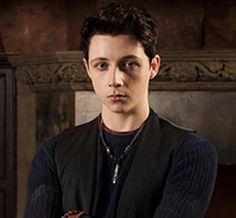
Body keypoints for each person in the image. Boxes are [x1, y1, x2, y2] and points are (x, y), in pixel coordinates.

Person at [24, 2, 217, 218]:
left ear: (153, 66)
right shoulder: (53, 152)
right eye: (102, 65)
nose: (115, 80)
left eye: (129, 64)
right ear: (88, 68)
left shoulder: (190, 152)